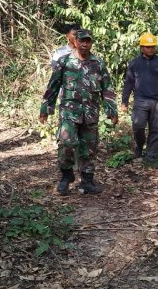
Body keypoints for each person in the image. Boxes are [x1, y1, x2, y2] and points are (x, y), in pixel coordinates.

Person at [39, 29, 118, 194]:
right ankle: (66, 177)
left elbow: (107, 89)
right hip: (69, 113)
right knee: (66, 143)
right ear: (75, 42)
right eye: (81, 41)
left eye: (88, 41)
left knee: (89, 147)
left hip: (90, 113)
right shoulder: (65, 62)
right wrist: (46, 108)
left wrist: (112, 110)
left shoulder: (98, 64)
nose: (84, 44)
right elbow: (53, 86)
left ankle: (87, 181)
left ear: (91, 43)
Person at [120, 32, 158, 163]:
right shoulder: (135, 63)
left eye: (152, 46)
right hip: (140, 100)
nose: (150, 49)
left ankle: (151, 155)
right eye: (147, 46)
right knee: (138, 125)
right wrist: (124, 101)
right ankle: (139, 148)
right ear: (141, 48)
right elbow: (128, 82)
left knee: (155, 128)